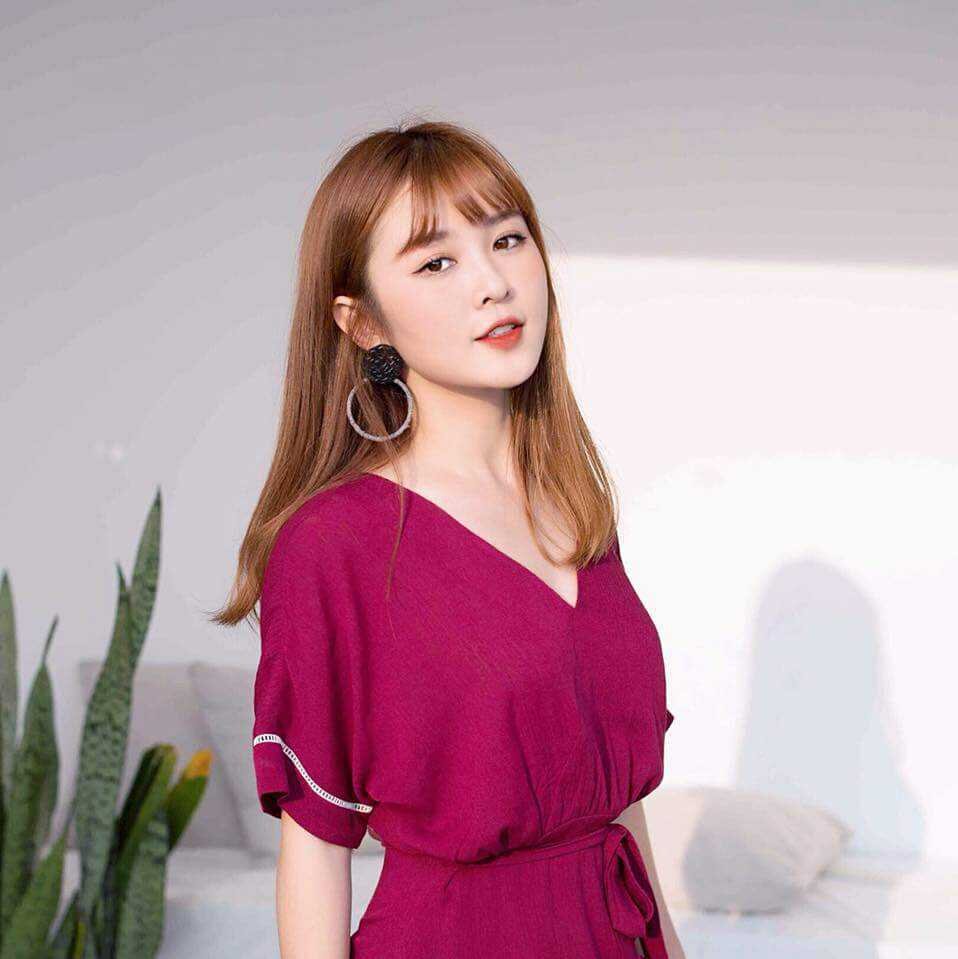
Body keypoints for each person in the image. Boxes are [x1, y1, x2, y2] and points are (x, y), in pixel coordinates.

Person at [214, 119, 683, 959]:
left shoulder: (578, 506)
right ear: (362, 322)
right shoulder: (334, 543)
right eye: (437, 262)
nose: (494, 283)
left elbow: (615, 808)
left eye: (507, 239)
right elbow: (317, 847)